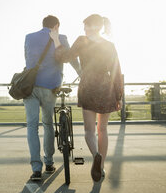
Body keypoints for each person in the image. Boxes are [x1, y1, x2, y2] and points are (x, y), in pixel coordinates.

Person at [49, 14, 123, 182]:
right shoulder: (109, 45)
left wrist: (56, 40)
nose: (84, 29)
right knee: (102, 130)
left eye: (87, 26)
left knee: (89, 130)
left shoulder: (82, 41)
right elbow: (116, 72)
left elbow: (64, 57)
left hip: (88, 86)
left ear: (94, 27)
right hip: (106, 88)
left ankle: (96, 155)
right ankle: (101, 166)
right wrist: (119, 96)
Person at [24, 15, 81, 181]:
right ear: (56, 26)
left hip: (30, 86)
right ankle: (48, 163)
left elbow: (27, 58)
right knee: (48, 123)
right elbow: (71, 59)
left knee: (31, 126)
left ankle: (36, 169)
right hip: (50, 87)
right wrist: (80, 72)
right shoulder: (61, 38)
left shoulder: (29, 37)